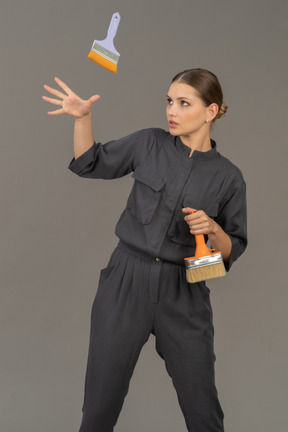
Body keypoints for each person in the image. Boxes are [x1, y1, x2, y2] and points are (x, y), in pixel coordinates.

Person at [43, 68, 247, 432]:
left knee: (203, 410)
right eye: (169, 101)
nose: (171, 110)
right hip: (126, 280)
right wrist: (83, 118)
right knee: (99, 407)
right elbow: (90, 163)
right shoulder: (149, 143)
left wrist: (213, 229)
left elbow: (231, 250)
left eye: (184, 103)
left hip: (184, 289)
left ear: (210, 112)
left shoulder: (228, 177)